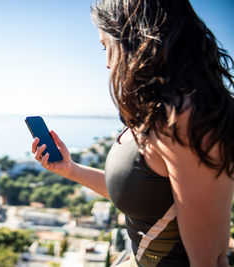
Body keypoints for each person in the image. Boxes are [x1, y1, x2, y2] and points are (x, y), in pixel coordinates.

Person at [30, 0, 234, 266]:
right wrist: (71, 170)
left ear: (135, 39)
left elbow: (209, 260)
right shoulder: (157, 110)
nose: (106, 62)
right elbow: (149, 197)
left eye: (106, 46)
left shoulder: (186, 119)